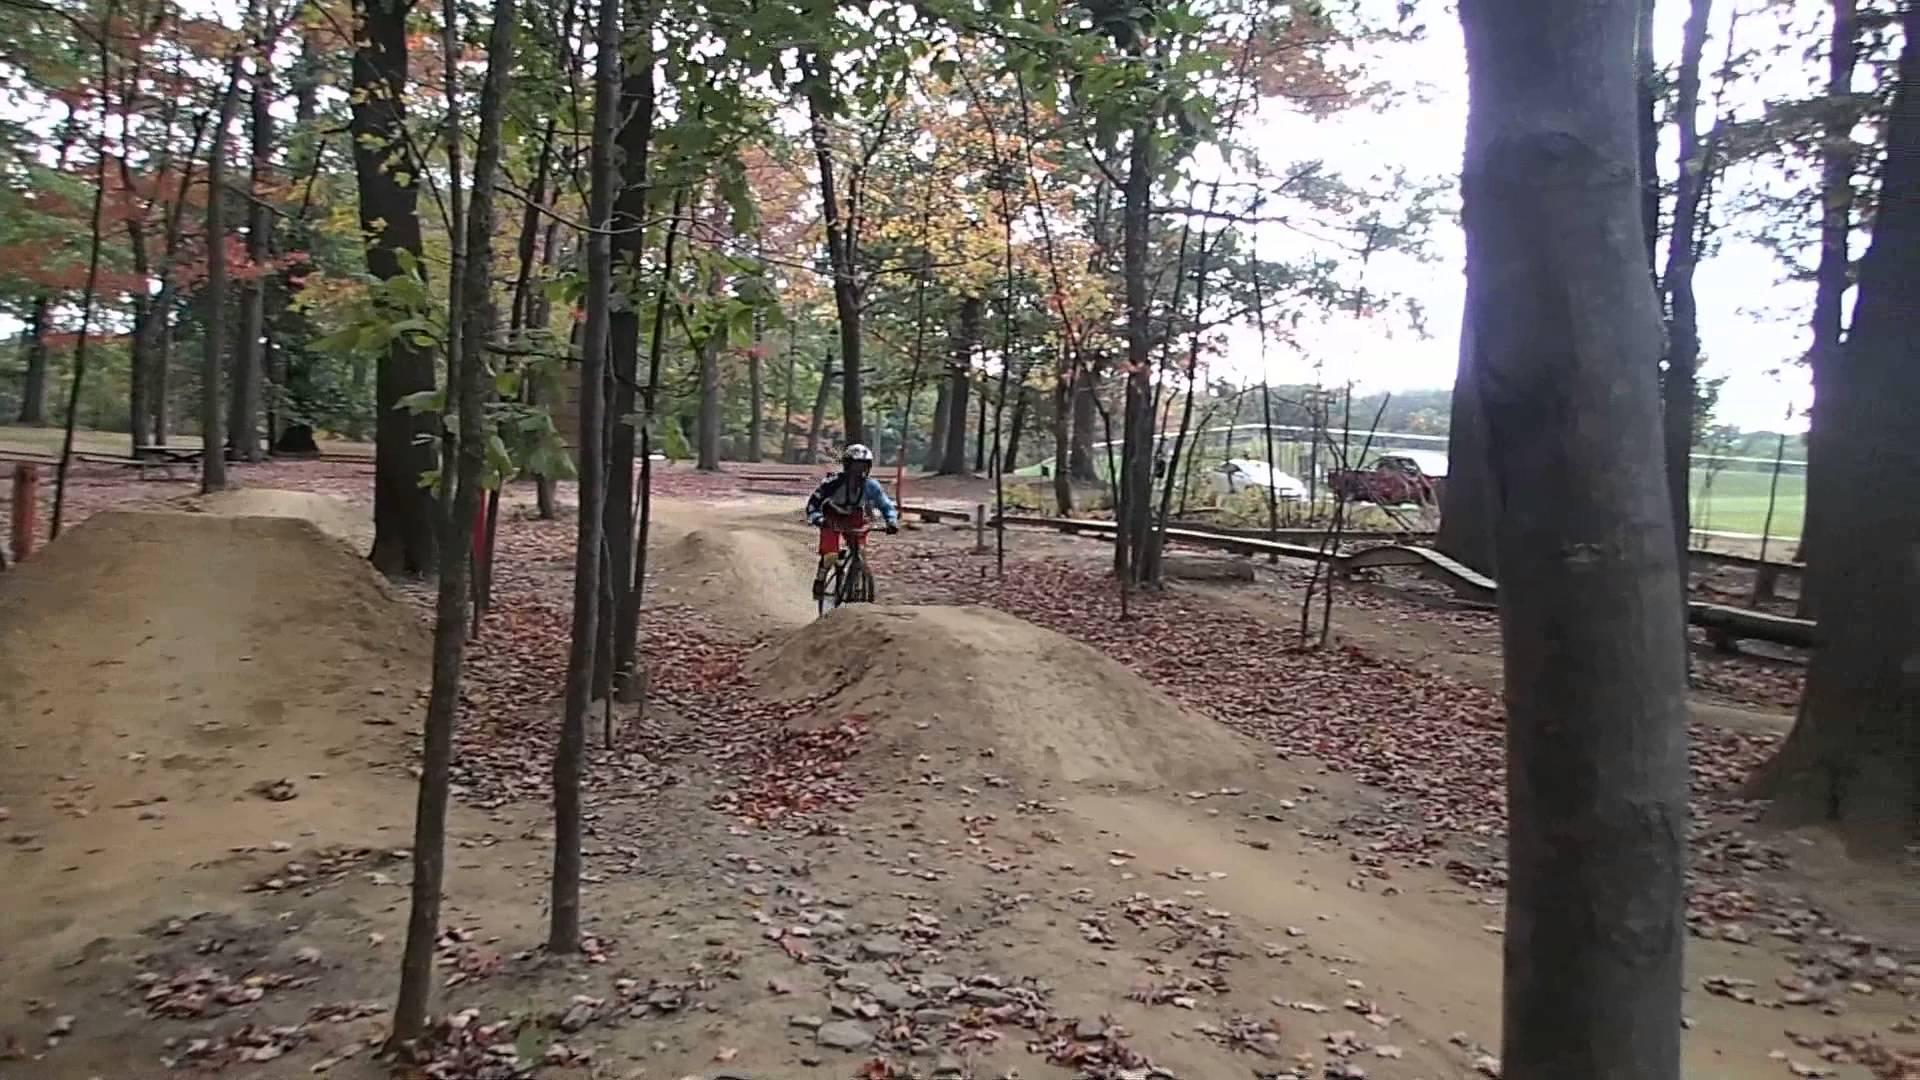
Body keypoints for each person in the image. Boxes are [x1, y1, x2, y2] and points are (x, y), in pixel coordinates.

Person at [805, 444, 899, 599]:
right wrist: (818, 519)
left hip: (855, 517)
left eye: (863, 466)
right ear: (847, 466)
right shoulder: (832, 483)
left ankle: (856, 576)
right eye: (855, 466)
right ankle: (820, 579)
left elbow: (885, 504)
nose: (859, 471)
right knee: (830, 555)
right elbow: (813, 504)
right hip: (831, 518)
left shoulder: (871, 486)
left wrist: (891, 521)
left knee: (860, 552)